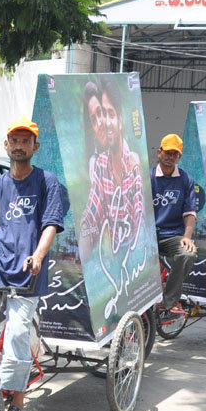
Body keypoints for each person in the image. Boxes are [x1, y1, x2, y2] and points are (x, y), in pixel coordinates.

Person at [0, 117, 67, 411]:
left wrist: (39, 255)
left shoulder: (47, 182)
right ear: (6, 145)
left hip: (28, 272)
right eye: (14, 140)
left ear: (35, 146)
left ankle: (17, 400)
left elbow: (51, 223)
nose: (19, 145)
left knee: (16, 335)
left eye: (25, 140)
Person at [78, 79, 147, 284]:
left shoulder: (133, 164)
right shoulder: (100, 164)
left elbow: (140, 221)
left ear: (120, 119)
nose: (104, 122)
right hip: (110, 263)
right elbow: (92, 213)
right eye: (97, 116)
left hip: (133, 263)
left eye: (109, 114)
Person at [152, 133, 198, 318]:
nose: (170, 157)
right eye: (167, 152)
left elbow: (190, 213)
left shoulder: (186, 180)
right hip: (148, 236)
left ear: (179, 156)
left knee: (188, 254)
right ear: (159, 153)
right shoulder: (147, 178)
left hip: (172, 235)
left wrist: (187, 237)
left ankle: (168, 302)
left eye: (175, 154)